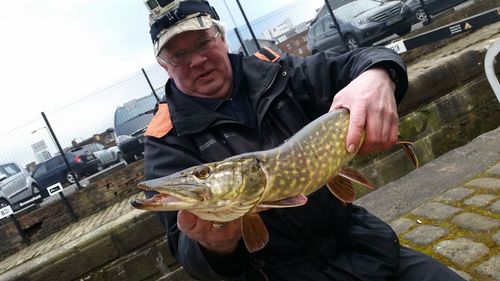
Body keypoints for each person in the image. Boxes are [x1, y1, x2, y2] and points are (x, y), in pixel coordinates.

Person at [142, 1, 464, 280]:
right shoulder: (164, 138)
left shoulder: (278, 72)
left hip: (360, 248)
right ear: (164, 65)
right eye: (179, 54)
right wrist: (214, 246)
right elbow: (187, 254)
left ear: (222, 37)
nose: (196, 60)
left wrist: (377, 75)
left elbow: (361, 58)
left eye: (202, 43)